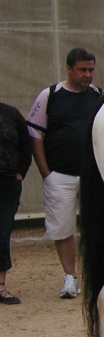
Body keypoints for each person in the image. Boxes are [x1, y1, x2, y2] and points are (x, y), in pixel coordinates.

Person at [27, 47, 104, 299]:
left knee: (99, 224)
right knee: (62, 227)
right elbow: (35, 134)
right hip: (59, 173)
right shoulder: (50, 95)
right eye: (82, 70)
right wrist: (46, 172)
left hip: (93, 174)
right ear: (69, 68)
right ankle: (70, 276)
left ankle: (98, 275)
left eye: (91, 70)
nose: (88, 75)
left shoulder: (99, 96)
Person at [0, 101, 33, 304]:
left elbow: (26, 145)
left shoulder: (11, 114)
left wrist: (20, 173)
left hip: (7, 182)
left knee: (2, 232)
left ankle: (1, 287)